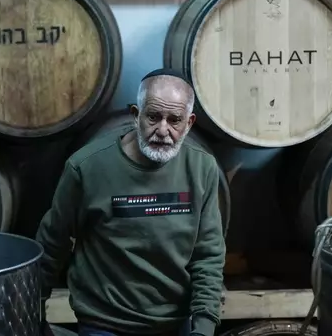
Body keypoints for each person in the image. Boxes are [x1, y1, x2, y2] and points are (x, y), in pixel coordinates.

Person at [36, 68, 225, 336]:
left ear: (189, 123)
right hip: (105, 322)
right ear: (136, 115)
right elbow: (52, 243)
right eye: (153, 116)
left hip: (175, 322)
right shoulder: (86, 167)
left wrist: (203, 327)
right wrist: (33, 312)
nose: (162, 130)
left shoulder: (202, 167)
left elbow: (208, 254)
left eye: (174, 120)